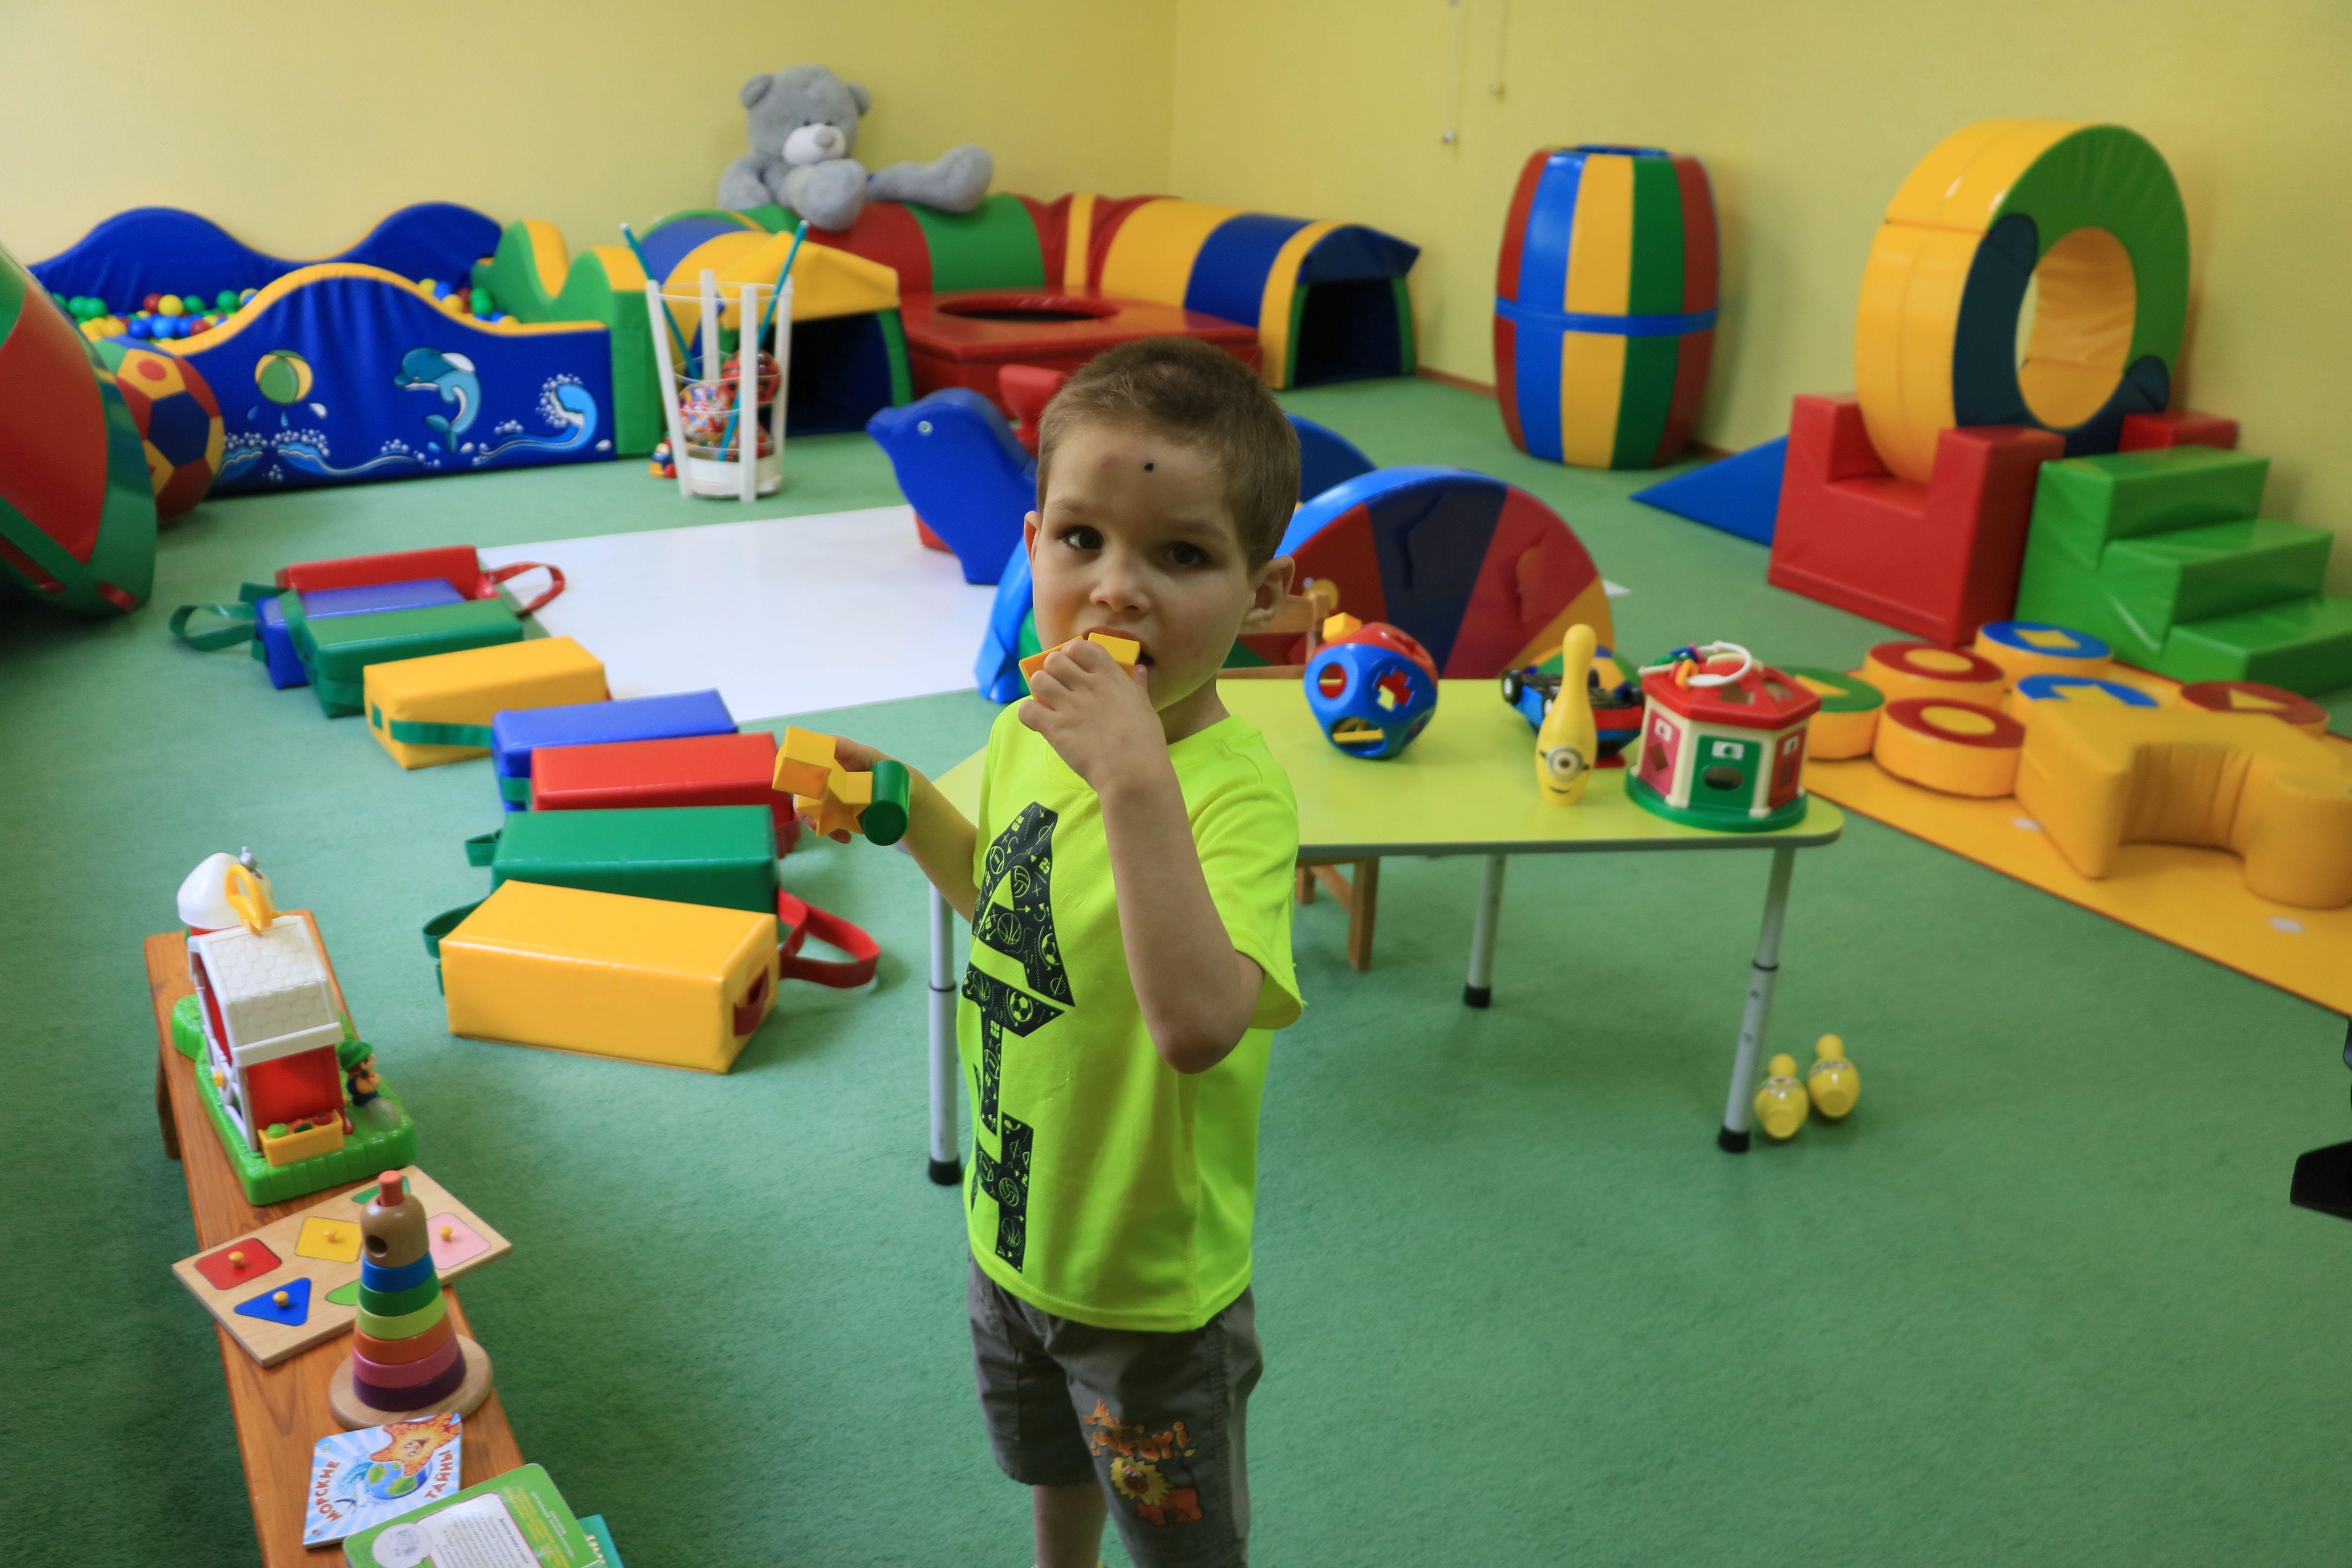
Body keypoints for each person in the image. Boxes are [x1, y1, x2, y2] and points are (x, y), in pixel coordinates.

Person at [805, 337, 1305, 1568]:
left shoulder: (1234, 798)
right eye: (1083, 539)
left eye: (1182, 556)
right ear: (1033, 546)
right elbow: (1007, 902)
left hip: (1145, 1290)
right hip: (1017, 1228)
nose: (1117, 590)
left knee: (1180, 1541)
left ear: (1263, 593)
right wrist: (907, 805)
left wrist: (1136, 779)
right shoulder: (1033, 728)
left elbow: (1199, 1024)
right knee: (1051, 1463)